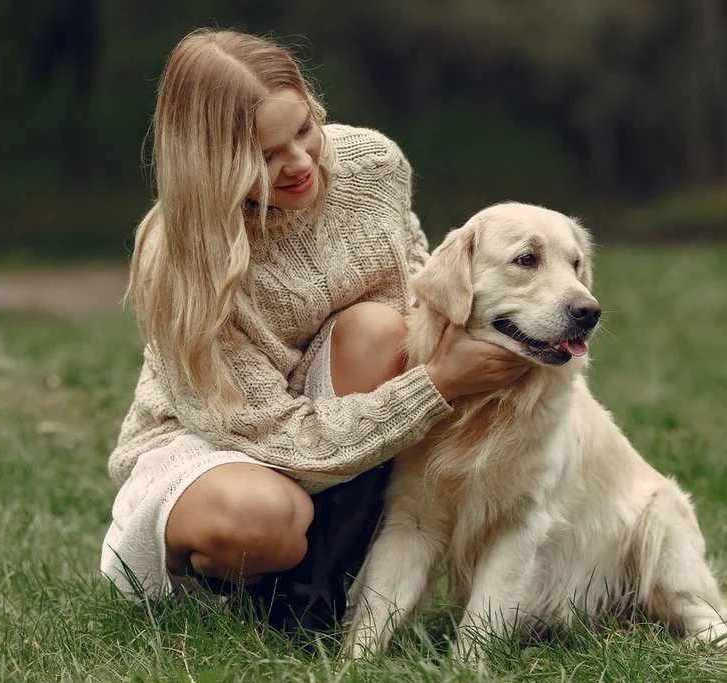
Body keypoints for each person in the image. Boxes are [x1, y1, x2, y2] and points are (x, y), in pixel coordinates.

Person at [100, 29, 529, 626]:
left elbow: (418, 312)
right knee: (264, 518)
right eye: (264, 156)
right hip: (220, 442)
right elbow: (274, 435)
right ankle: (230, 582)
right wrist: (437, 385)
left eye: (303, 130)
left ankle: (319, 597)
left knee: (381, 330)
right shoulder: (181, 257)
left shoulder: (372, 168)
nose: (300, 162)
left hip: (338, 415)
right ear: (211, 163)